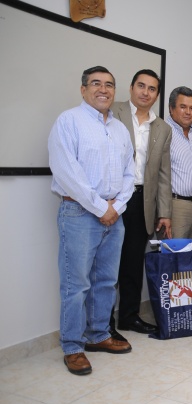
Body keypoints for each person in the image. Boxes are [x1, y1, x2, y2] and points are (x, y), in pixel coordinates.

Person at [48, 66, 134, 375]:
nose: (103, 89)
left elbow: (130, 172)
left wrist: (117, 206)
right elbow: (67, 172)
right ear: (83, 89)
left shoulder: (120, 129)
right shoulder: (68, 121)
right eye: (96, 83)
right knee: (76, 285)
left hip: (114, 215)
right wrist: (101, 207)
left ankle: (98, 335)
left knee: (106, 281)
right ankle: (72, 346)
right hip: (79, 213)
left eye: (109, 84)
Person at [111, 69, 172, 336]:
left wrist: (165, 212)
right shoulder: (112, 111)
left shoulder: (163, 128)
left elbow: (163, 174)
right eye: (141, 86)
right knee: (107, 263)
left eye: (152, 88)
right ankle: (101, 324)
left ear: (157, 95)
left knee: (132, 262)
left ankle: (128, 317)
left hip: (141, 201)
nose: (145, 92)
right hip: (112, 199)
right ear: (131, 87)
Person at [166, 86, 192, 250]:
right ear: (171, 108)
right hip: (176, 205)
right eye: (183, 107)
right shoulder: (163, 131)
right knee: (175, 254)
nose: (188, 112)